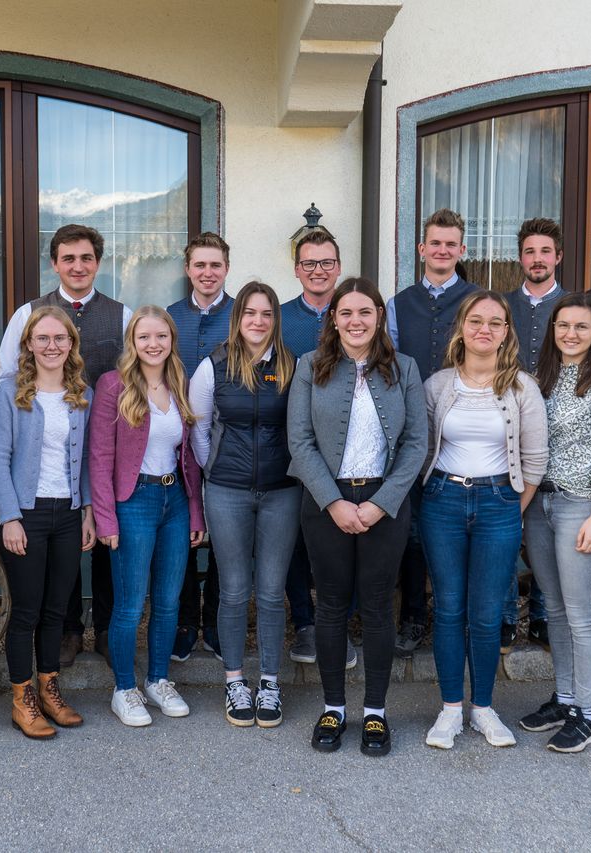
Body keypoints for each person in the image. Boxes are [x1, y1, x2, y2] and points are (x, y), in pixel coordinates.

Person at [288, 278, 427, 757]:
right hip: (325, 502)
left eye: (365, 312)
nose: (355, 321)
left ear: (379, 316)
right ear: (333, 319)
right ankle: (333, 708)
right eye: (345, 312)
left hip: (384, 502)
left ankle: (375, 712)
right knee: (330, 605)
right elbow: (300, 441)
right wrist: (334, 502)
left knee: (376, 607)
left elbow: (416, 443)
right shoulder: (310, 366)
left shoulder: (404, 368)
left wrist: (380, 503)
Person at [0, 224, 131, 668]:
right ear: (54, 263)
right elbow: (6, 378)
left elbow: (133, 377)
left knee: (105, 538)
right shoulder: (28, 314)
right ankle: (69, 631)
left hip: (106, 446)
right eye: (68, 258)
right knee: (59, 557)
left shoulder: (122, 315)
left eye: (86, 257)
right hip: (48, 454)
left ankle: (105, 629)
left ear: (97, 263)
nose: (78, 266)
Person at [420, 291, 548, 751]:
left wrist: (512, 506)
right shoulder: (437, 385)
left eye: (496, 322)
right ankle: (450, 709)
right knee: (449, 607)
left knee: (488, 611)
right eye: (476, 321)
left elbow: (535, 460)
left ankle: (484, 708)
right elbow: (421, 448)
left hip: (500, 502)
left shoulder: (522, 388)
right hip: (443, 500)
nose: (485, 330)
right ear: (461, 328)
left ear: (506, 332)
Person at [517, 293, 591, 753]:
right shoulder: (540, 378)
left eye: (581, 326)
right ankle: (565, 699)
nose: (570, 334)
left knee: (582, 614)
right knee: (555, 608)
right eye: (563, 325)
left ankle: (587, 713)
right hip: (539, 506)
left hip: (582, 507)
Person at [189, 281, 299, 728]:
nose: (258, 321)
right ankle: (234, 680)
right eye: (250, 313)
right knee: (233, 591)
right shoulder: (213, 366)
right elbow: (198, 431)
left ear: (275, 320)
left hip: (281, 492)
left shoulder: (291, 366)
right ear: (238, 319)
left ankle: (269, 682)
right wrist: (218, 471)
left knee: (271, 592)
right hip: (227, 493)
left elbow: (300, 429)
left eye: (266, 314)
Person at [90, 306, 206, 727]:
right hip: (133, 501)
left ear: (172, 340)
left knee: (169, 600)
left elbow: (189, 457)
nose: (153, 344)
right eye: (144, 337)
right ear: (132, 342)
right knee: (130, 604)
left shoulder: (180, 384)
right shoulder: (113, 385)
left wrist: (195, 512)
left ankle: (158, 680)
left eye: (161, 336)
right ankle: (124, 688)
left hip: (174, 500)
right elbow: (99, 457)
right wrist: (105, 518)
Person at [0, 307, 95, 740]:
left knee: (57, 608)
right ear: (29, 344)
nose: (52, 346)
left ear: (71, 344)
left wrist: (87, 512)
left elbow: (85, 460)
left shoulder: (80, 393)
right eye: (43, 338)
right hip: (26, 515)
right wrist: (9, 518)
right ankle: (22, 698)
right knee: (27, 610)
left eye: (60, 338)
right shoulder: (9, 392)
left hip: (67, 514)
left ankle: (50, 689)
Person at [385, 209, 483, 660]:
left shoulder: (477, 300)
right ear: (421, 249)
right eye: (435, 243)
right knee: (411, 530)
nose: (442, 251)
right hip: (413, 430)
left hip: (466, 431)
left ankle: (459, 618)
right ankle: (413, 616)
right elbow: (388, 365)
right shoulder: (398, 303)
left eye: (451, 244)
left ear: (462, 250)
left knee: (460, 529)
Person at [280, 229, 355, 669]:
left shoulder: (356, 313)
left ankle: (338, 624)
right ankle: (306, 623)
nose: (318, 270)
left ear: (338, 267)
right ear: (297, 270)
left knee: (344, 541)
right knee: (296, 541)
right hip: (293, 447)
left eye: (326, 262)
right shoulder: (280, 319)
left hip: (348, 451)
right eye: (309, 263)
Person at [500, 217, 570, 652]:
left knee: (547, 523)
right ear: (520, 258)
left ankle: (542, 615)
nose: (537, 259)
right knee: (508, 519)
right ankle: (507, 616)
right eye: (530, 251)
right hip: (507, 425)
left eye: (545, 251)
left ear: (557, 256)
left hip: (560, 427)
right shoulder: (503, 305)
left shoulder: (573, 307)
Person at [166, 232, 234, 663]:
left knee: (226, 536)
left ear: (226, 268)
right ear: (188, 269)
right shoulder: (171, 317)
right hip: (176, 444)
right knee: (183, 536)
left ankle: (216, 624)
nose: (207, 273)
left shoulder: (242, 315)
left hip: (229, 444)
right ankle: (186, 623)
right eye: (200, 265)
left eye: (215, 265)